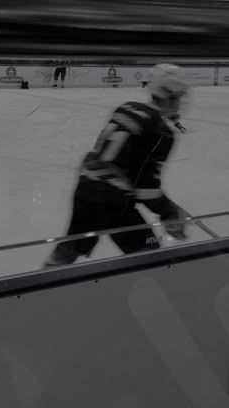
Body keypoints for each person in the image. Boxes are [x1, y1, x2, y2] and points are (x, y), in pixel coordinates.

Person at [44, 63, 189, 267]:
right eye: (179, 96)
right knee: (149, 254)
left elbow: (120, 159)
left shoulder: (127, 108)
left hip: (86, 188)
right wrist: (168, 213)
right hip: (112, 199)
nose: (181, 101)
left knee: (71, 247)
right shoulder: (161, 131)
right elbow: (145, 189)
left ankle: (42, 284)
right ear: (169, 95)